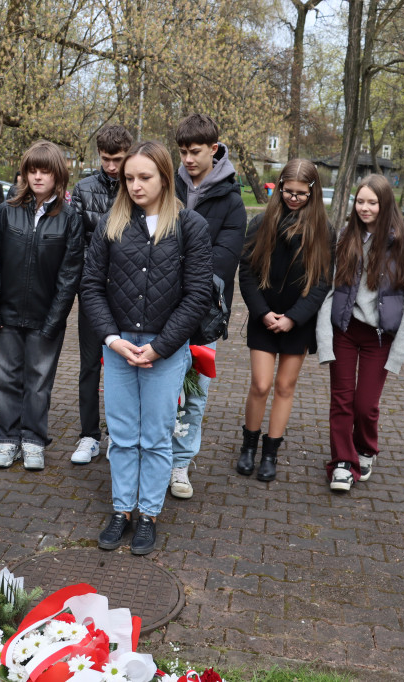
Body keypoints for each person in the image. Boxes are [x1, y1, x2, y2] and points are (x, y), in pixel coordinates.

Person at [79, 140, 212, 555]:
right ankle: (122, 509)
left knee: (155, 436)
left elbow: (197, 295)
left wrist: (161, 346)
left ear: (164, 177)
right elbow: (91, 286)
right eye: (129, 178)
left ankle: (148, 513)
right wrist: (112, 339)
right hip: (119, 346)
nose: (135, 185)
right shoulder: (111, 224)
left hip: (166, 348)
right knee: (121, 435)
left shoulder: (190, 226)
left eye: (144, 177)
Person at [316, 174, 404, 492]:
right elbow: (330, 291)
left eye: (372, 202)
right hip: (346, 331)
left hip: (380, 338)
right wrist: (325, 341)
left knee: (365, 405)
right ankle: (341, 463)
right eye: (360, 201)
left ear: (385, 204)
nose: (364, 208)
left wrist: (398, 353)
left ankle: (365, 449)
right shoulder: (346, 238)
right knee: (342, 401)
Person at [0, 140, 83, 471]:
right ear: (24, 173)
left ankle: (34, 439)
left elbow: (70, 276)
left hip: (45, 317)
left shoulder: (70, 219)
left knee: (38, 382)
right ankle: (7, 438)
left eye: (45, 171)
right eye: (32, 170)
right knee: (4, 378)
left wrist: (55, 319)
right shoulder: (6, 214)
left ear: (58, 175)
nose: (38, 177)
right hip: (5, 313)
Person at [168, 114, 248, 498]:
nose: (187, 159)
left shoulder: (232, 202)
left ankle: (180, 464)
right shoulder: (167, 187)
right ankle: (153, 456)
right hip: (160, 309)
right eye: (182, 151)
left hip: (204, 317)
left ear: (214, 149)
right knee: (160, 392)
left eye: (195, 151)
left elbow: (222, 261)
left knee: (194, 395)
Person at [237, 159, 332, 483]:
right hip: (263, 317)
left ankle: (270, 452)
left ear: (312, 192)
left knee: (284, 386)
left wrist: (293, 318)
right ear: (279, 188)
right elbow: (246, 274)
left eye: (301, 194)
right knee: (261, 384)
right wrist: (262, 313)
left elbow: (322, 283)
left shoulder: (323, 231)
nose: (293, 198)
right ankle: (248, 445)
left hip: (298, 322)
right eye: (288, 191)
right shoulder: (261, 222)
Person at [68, 124, 133, 465]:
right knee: (89, 366)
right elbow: (76, 243)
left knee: (125, 367)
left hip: (131, 295)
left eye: (117, 159)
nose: (111, 167)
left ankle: (119, 436)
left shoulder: (138, 186)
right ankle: (89, 435)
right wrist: (85, 286)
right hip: (93, 292)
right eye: (106, 159)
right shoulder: (83, 189)